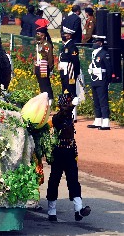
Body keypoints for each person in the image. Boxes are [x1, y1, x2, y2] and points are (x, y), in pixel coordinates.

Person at [46, 93, 91, 222]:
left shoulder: (70, 116)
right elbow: (61, 115)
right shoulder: (57, 118)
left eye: (69, 103)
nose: (68, 106)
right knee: (54, 180)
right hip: (58, 153)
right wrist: (68, 107)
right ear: (61, 105)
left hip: (70, 152)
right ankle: (52, 211)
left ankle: (79, 210)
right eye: (66, 104)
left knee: (74, 181)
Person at [87, 35, 112, 130]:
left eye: (96, 42)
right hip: (94, 79)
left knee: (103, 101)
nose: (94, 43)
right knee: (96, 100)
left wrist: (108, 81)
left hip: (102, 80)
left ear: (100, 43)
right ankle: (98, 119)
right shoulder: (94, 53)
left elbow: (108, 69)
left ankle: (106, 121)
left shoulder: (104, 54)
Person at [34, 19, 54, 103]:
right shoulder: (39, 44)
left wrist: (50, 69)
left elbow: (50, 58)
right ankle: (44, 101)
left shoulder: (46, 45)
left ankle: (49, 100)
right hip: (38, 66)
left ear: (43, 35)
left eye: (38, 34)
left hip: (44, 67)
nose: (37, 35)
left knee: (45, 84)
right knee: (41, 85)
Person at [58, 27, 81, 99]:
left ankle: (73, 109)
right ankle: (66, 107)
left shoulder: (71, 46)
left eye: (65, 34)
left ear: (69, 36)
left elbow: (75, 60)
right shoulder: (65, 46)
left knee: (70, 90)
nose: (63, 36)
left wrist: (76, 72)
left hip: (70, 71)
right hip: (64, 71)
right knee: (65, 90)